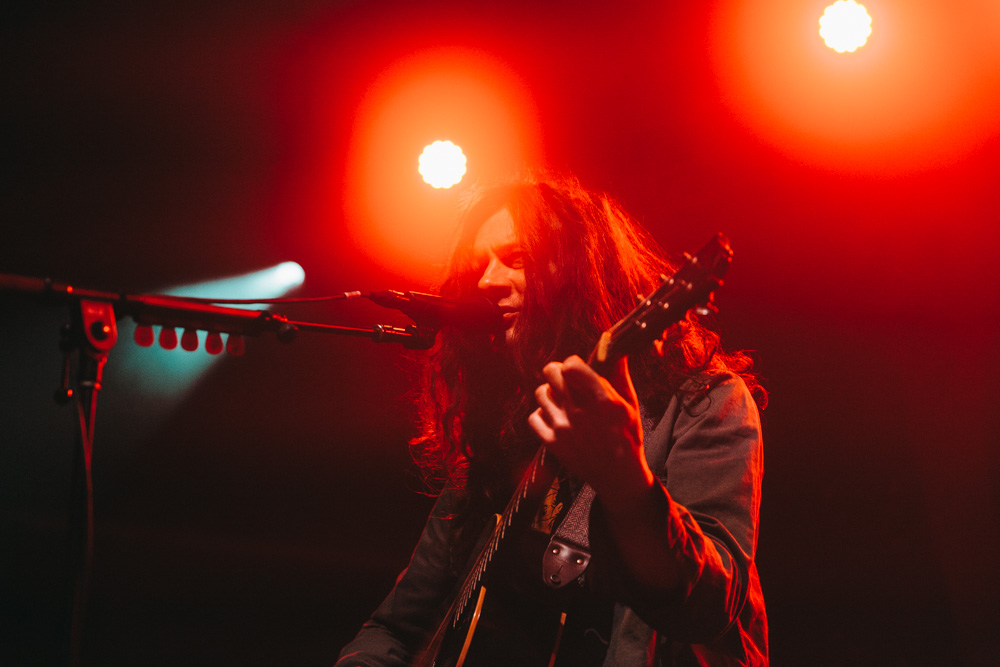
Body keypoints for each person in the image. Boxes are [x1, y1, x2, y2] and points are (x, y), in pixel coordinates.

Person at [336, 173, 768, 666]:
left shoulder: (703, 403)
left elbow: (710, 607)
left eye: (515, 258)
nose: (486, 282)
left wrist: (627, 479)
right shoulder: (503, 424)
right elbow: (395, 627)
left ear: (582, 271)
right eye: (480, 265)